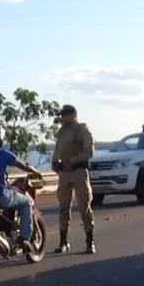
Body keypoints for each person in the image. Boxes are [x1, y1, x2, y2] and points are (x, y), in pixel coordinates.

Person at [0, 123, 44, 250]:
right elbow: (22, 165)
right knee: (27, 202)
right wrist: (35, 172)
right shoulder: (1, 153)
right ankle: (25, 238)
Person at [51, 104, 97, 254]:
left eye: (66, 115)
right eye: (62, 115)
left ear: (74, 115)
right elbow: (58, 149)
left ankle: (90, 241)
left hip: (79, 171)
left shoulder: (82, 130)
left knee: (84, 206)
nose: (63, 118)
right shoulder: (62, 132)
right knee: (63, 207)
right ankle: (63, 241)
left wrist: (74, 160)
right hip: (65, 172)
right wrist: (54, 162)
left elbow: (90, 151)